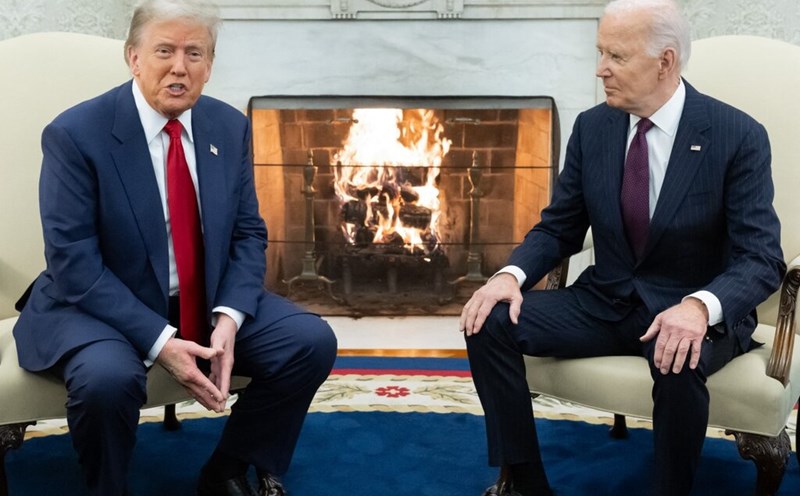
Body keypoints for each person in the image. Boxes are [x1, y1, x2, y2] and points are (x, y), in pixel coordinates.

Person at [459, 0, 785, 495]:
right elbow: (559, 227)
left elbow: (762, 258)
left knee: (677, 354)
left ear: (665, 62)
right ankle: (524, 483)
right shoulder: (594, 128)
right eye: (600, 52)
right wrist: (509, 277)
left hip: (690, 306)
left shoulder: (735, 136)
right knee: (489, 322)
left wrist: (699, 307)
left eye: (617, 56)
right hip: (605, 300)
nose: (601, 70)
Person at [12, 1, 337, 495]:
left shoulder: (228, 127)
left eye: (195, 53)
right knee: (106, 380)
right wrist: (161, 342)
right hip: (95, 304)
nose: (179, 67)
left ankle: (228, 470)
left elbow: (248, 232)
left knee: (308, 342)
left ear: (209, 65)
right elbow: (74, 263)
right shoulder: (76, 135)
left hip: (198, 295)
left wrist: (229, 317)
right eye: (164, 50)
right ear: (134, 58)